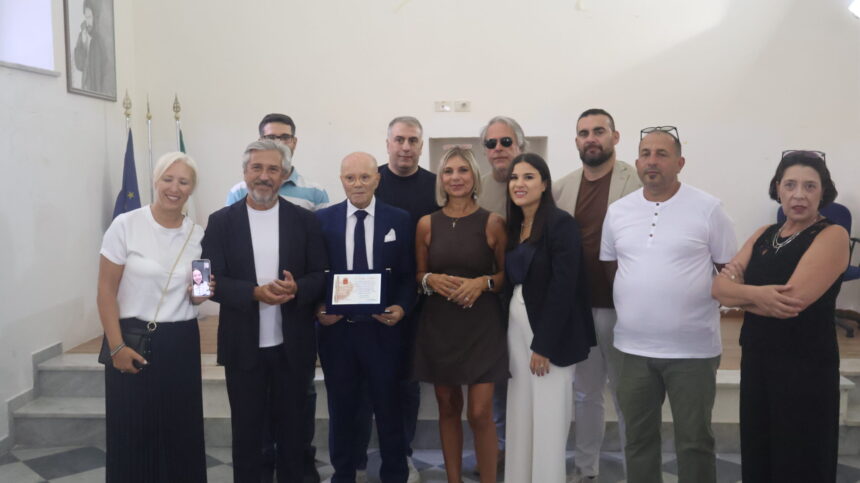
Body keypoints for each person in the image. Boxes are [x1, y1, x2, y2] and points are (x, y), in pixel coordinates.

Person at [600, 126, 737, 483]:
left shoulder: (708, 208)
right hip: (632, 350)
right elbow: (612, 268)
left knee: (694, 442)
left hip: (692, 350)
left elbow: (729, 272)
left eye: (662, 154)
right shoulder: (618, 212)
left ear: (680, 162)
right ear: (636, 162)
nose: (652, 161)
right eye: (645, 153)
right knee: (638, 440)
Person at [712, 150, 849, 482]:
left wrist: (740, 295)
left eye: (810, 186)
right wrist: (759, 296)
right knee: (759, 448)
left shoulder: (832, 235)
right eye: (790, 185)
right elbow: (719, 289)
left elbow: (790, 303)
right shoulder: (764, 234)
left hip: (805, 365)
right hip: (758, 357)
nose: (799, 194)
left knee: (799, 456)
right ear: (777, 188)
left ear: (823, 192)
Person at [202, 139, 327, 482]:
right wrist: (253, 293)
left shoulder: (304, 221)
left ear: (284, 175)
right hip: (243, 346)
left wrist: (297, 288)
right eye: (256, 167)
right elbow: (211, 282)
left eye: (273, 169)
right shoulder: (221, 222)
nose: (264, 176)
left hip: (293, 346)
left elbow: (321, 275)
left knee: (294, 434)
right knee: (247, 435)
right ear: (244, 172)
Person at [97, 152, 213, 482]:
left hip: (181, 341)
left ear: (192, 188)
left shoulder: (197, 235)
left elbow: (198, 294)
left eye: (183, 182)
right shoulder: (126, 225)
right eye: (168, 179)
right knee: (132, 429)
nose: (174, 188)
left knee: (181, 429)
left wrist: (201, 293)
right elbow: (105, 291)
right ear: (155, 181)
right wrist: (116, 347)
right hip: (131, 338)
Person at [316, 152, 416, 483]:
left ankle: (395, 475)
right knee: (341, 409)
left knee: (390, 408)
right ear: (341, 180)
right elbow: (314, 273)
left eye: (364, 177)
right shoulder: (322, 220)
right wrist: (318, 309)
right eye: (350, 177)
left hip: (383, 331)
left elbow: (408, 275)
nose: (357, 184)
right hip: (338, 333)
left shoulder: (399, 220)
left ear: (377, 179)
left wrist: (401, 307)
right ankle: (343, 474)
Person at [553, 108, 641, 482]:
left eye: (599, 131)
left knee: (626, 396)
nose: (591, 138)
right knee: (586, 395)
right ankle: (585, 469)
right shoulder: (562, 188)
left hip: (623, 308)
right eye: (584, 132)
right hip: (580, 308)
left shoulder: (637, 182)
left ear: (615, 137)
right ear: (576, 141)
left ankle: (637, 471)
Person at [413, 146, 508, 483]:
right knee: (448, 406)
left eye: (463, 170)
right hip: (440, 326)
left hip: (482, 327)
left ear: (474, 176)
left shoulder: (493, 222)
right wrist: (430, 279)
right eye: (449, 171)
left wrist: (482, 283)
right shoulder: (426, 224)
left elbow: (506, 276)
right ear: (441, 179)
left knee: (480, 412)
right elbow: (418, 276)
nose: (456, 178)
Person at [503, 153, 595, 482]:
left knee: (549, 416)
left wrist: (543, 345)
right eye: (514, 177)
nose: (519, 184)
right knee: (520, 411)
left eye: (528, 177)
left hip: (550, 336)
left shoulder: (561, 224)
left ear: (544, 184)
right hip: (516, 331)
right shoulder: (514, 226)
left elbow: (564, 288)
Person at [374, 115, 439, 482]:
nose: (405, 147)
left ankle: (403, 454)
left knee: (407, 383)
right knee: (368, 381)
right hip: (370, 301)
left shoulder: (435, 186)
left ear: (421, 145)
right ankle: (360, 455)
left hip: (418, 303)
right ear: (387, 144)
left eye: (413, 140)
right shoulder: (371, 181)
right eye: (399, 139)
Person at [226, 113, 330, 211]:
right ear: (261, 142)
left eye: (285, 137)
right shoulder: (239, 192)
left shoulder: (316, 193)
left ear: (294, 142)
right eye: (271, 138)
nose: (279, 143)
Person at [478, 115, 526, 218]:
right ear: (485, 150)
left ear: (521, 147)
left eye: (506, 141)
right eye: (491, 143)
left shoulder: (540, 188)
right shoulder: (475, 190)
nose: (498, 148)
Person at [73, 0, 110, 93]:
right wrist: (83, 43)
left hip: (99, 90)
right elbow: (79, 65)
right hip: (86, 90)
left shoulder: (100, 40)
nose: (87, 21)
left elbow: (105, 68)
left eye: (89, 17)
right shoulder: (82, 35)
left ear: (95, 17)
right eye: (86, 17)